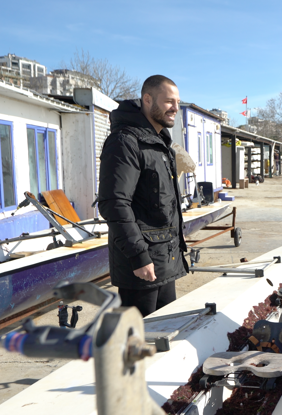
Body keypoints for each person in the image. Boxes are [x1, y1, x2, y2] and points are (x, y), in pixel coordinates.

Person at [98, 75, 188, 318]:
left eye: (178, 102)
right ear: (147, 99)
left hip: (164, 261)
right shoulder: (125, 142)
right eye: (169, 101)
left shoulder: (159, 143)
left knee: (164, 336)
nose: (175, 109)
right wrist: (139, 257)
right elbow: (114, 203)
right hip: (142, 267)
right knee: (139, 343)